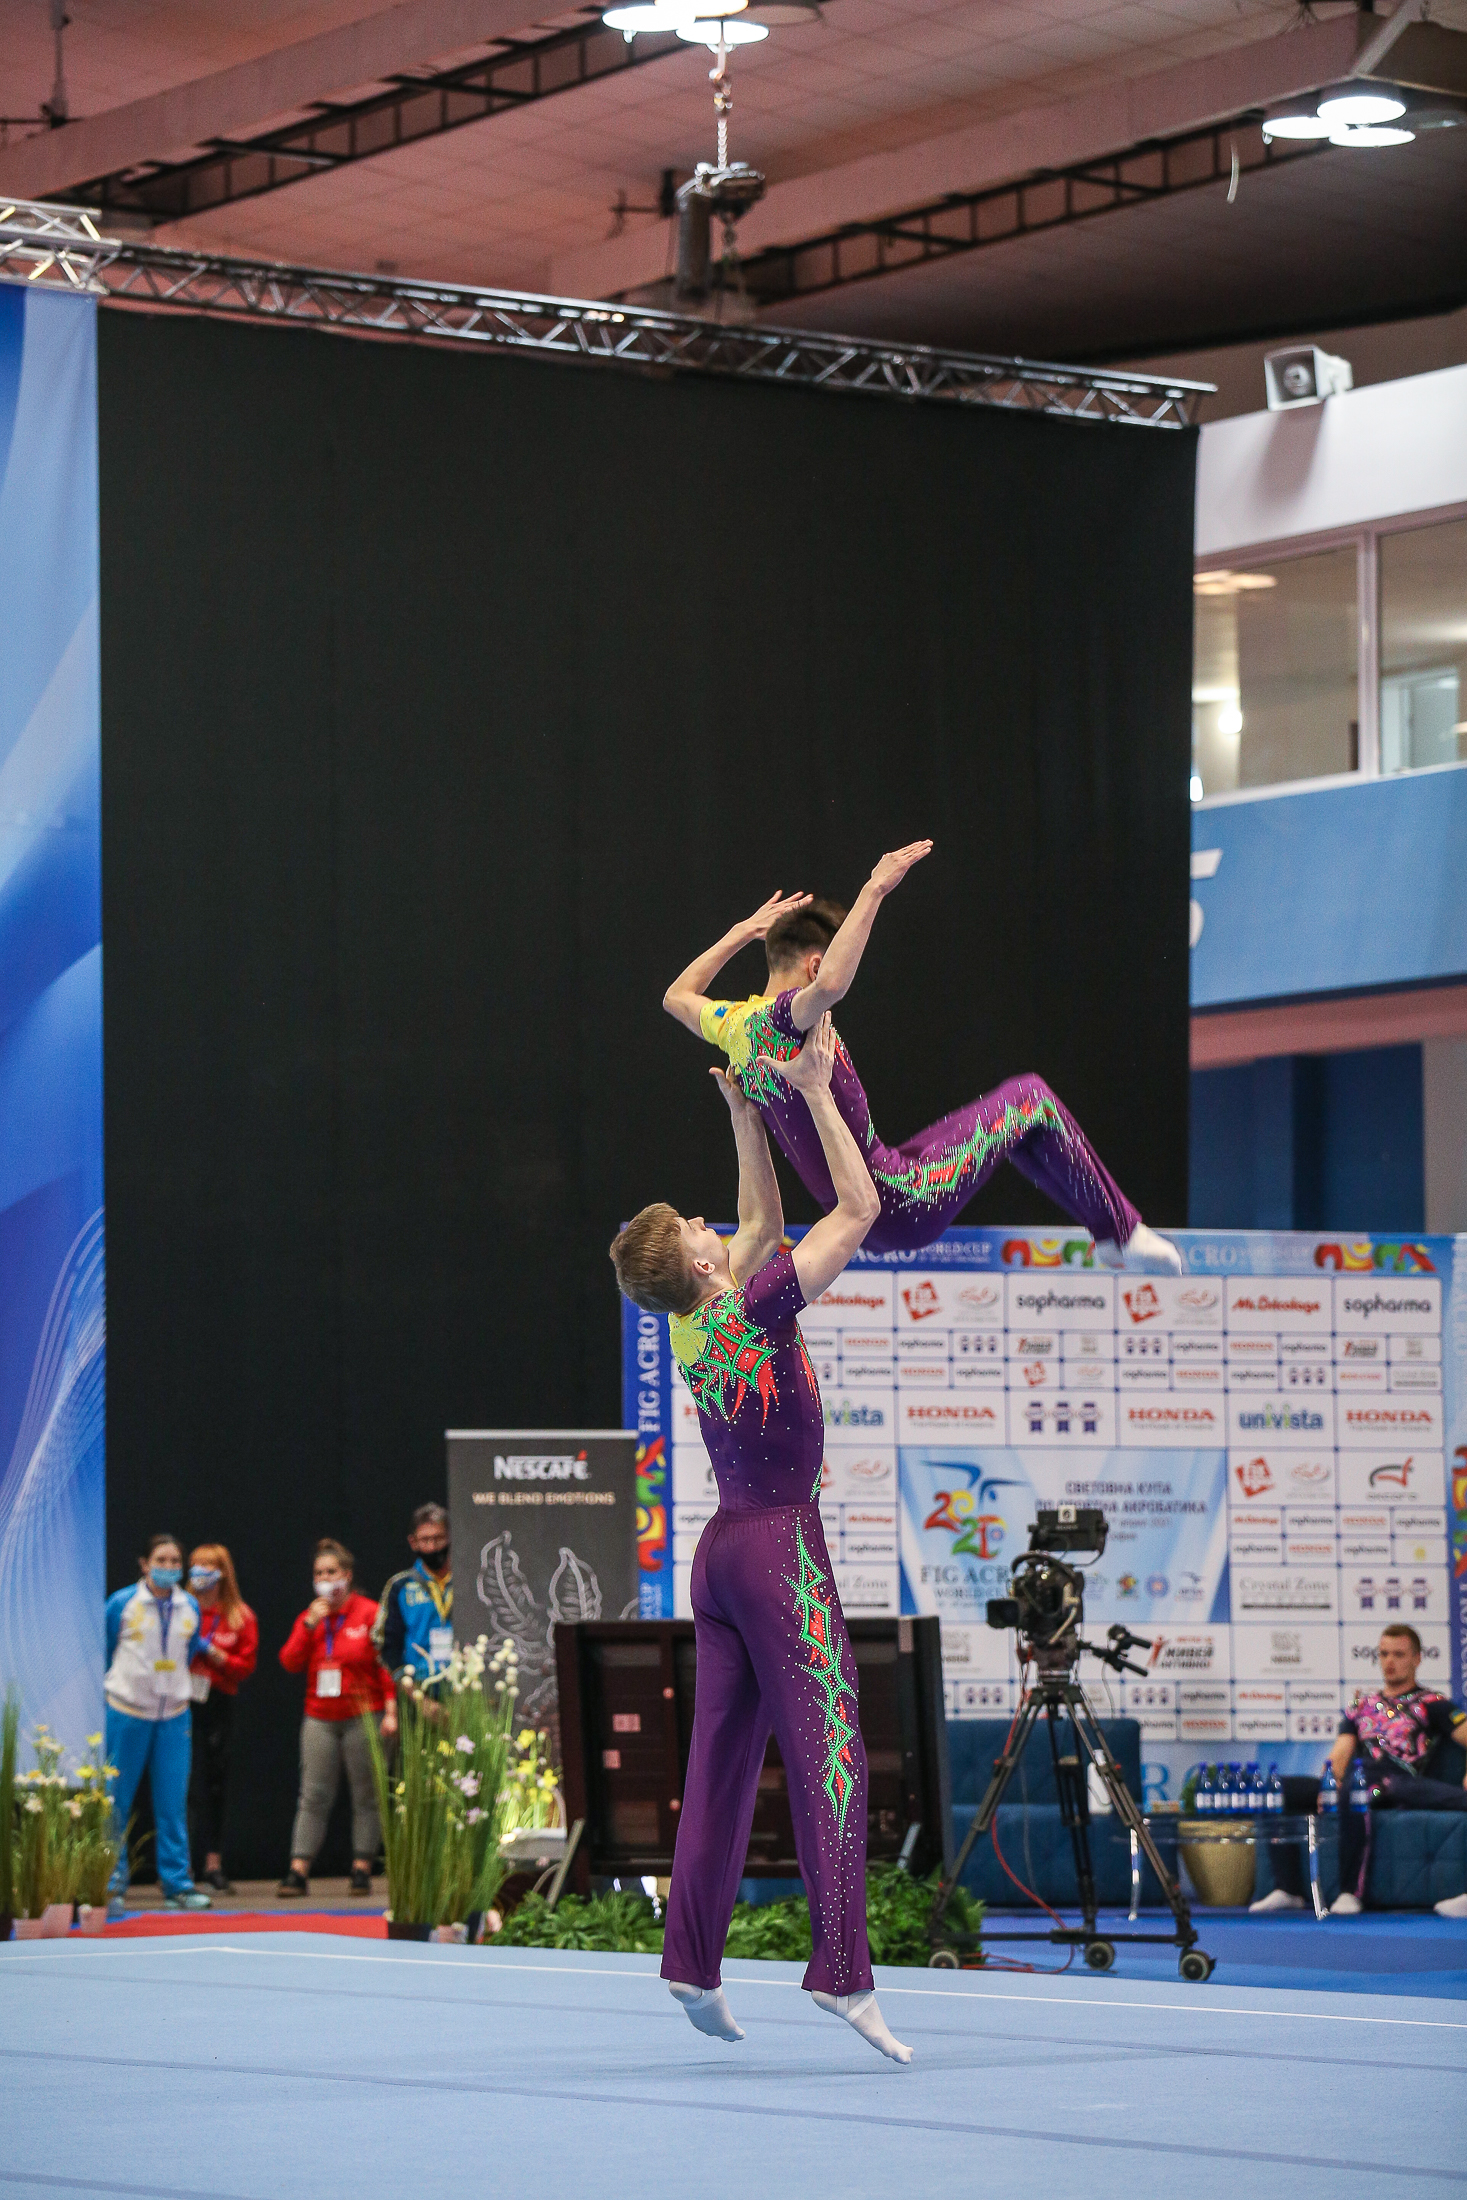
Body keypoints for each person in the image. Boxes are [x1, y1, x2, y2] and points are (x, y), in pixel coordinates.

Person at [612, 1015, 910, 2064]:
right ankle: (842, 1974)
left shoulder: (694, 1320)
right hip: (781, 1551)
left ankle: (691, 1962)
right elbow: (858, 1208)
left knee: (721, 1764)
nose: (711, 1223)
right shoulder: (757, 1307)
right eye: (696, 1228)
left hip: (721, 1556)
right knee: (832, 1753)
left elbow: (758, 1216)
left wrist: (745, 1114)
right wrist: (817, 1091)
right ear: (704, 1264)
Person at [663, 854, 1180, 1270]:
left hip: (858, 1213)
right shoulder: (779, 1019)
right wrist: (874, 889)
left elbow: (677, 996)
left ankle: (1109, 1234)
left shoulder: (733, 1026)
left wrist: (740, 931)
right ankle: (1120, 1231)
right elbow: (832, 985)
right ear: (814, 963)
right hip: (899, 1199)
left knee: (1020, 1124)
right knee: (1031, 1096)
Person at [277, 1538, 397, 1897]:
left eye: (331, 1572)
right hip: (320, 1717)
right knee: (313, 1794)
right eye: (319, 1573)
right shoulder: (311, 1617)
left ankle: (361, 1868)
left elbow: (386, 1666)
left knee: (367, 1795)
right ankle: (298, 1870)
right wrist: (308, 1625)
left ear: (347, 1575)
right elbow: (289, 1661)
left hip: (365, 1715)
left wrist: (391, 1710)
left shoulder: (370, 1613)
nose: (325, 1579)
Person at [1328, 1624, 1467, 1919]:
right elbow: (1340, 1753)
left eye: (1399, 1654)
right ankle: (1286, 1888)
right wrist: (1327, 1784)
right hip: (1364, 1781)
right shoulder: (1361, 1706)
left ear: (1417, 1658)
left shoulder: (1432, 1703)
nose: (1389, 1661)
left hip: (1403, 1782)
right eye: (1384, 1654)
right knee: (1282, 1791)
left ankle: (1350, 1892)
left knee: (1363, 1785)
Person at [104, 1533, 211, 1913]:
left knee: (172, 1804)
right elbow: (106, 1648)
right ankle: (111, 1886)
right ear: (144, 1564)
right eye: (160, 1560)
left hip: (174, 1717)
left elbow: (190, 1650)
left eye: (174, 1562)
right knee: (115, 1802)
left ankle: (178, 1885)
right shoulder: (122, 1603)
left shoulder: (189, 1606)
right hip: (127, 1712)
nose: (168, 1567)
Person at [185, 1543, 259, 1893]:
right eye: (196, 1565)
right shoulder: (182, 1609)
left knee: (215, 1783)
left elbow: (245, 1667)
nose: (200, 1572)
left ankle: (213, 1863)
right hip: (181, 1701)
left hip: (219, 1701)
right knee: (182, 1784)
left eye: (208, 1566)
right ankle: (180, 1864)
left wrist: (215, 1654)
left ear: (222, 1572)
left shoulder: (239, 1616)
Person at [373, 1503, 454, 1691]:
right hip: (417, 1690)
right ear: (413, 1542)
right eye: (425, 1540)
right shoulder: (399, 1585)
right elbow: (385, 1645)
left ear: (451, 1537)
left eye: (438, 1538)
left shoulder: (471, 1581)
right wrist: (414, 1694)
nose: (432, 1547)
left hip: (469, 1689)